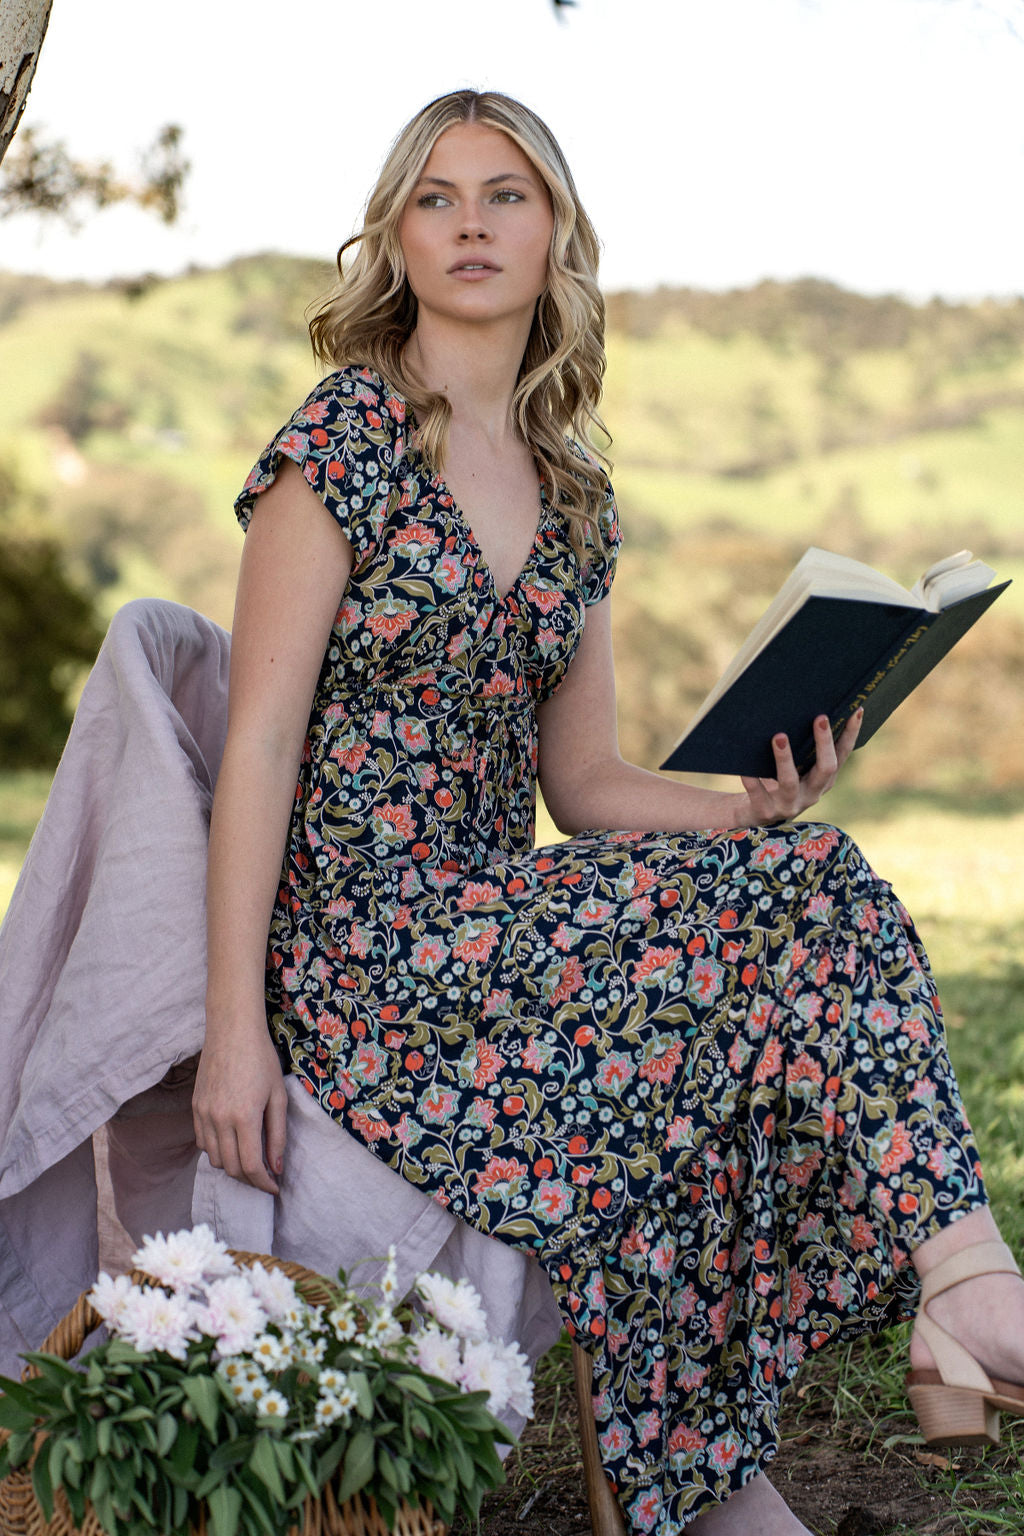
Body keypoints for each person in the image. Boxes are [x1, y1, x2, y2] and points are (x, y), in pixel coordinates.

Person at [190, 89, 1024, 1536]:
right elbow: (256, 745)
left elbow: (584, 788)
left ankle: (757, 1444)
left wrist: (747, 809)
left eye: (504, 195)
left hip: (501, 925)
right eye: (437, 196)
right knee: (768, 944)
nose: (469, 225)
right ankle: (957, 1299)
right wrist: (233, 1029)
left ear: (555, 235)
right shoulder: (342, 443)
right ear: (397, 235)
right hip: (367, 961)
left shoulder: (575, 493)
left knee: (806, 878)